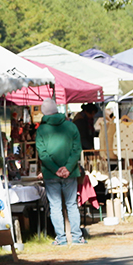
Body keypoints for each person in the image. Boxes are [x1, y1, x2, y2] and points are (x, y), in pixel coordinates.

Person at [35, 99, 85, 246]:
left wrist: (55, 169)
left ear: (44, 112)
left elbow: (42, 153)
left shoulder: (41, 130)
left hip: (51, 174)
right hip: (70, 172)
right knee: (72, 204)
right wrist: (68, 167)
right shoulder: (71, 126)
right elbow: (77, 149)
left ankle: (61, 238)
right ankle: (76, 237)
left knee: (55, 206)